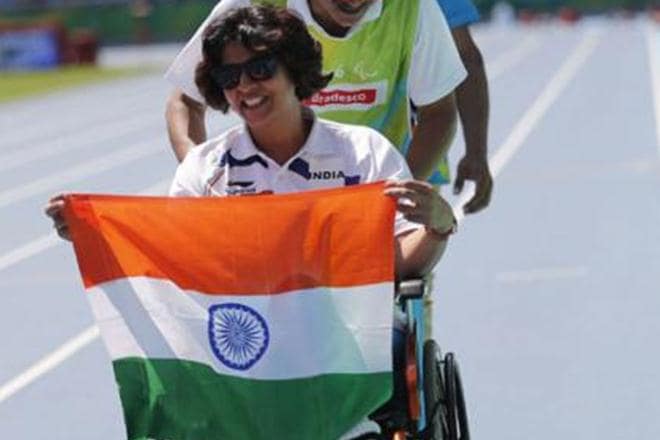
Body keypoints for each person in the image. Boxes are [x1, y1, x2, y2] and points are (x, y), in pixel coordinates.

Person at [45, 6, 456, 436]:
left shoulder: (364, 154)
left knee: (393, 347)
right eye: (229, 77)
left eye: (260, 69)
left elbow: (401, 262)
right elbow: (173, 267)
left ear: (294, 68)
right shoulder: (206, 170)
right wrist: (96, 238)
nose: (245, 86)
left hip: (344, 336)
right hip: (244, 339)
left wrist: (438, 227)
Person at [165, 0, 466, 186]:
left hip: (375, 187)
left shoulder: (412, 8)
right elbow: (185, 101)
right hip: (275, 194)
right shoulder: (249, 8)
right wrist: (200, 177)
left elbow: (439, 112)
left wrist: (398, 192)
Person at [437, 0, 493, 214]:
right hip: (413, 157)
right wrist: (476, 152)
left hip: (412, 153)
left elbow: (466, 58)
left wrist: (476, 152)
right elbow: (466, 58)